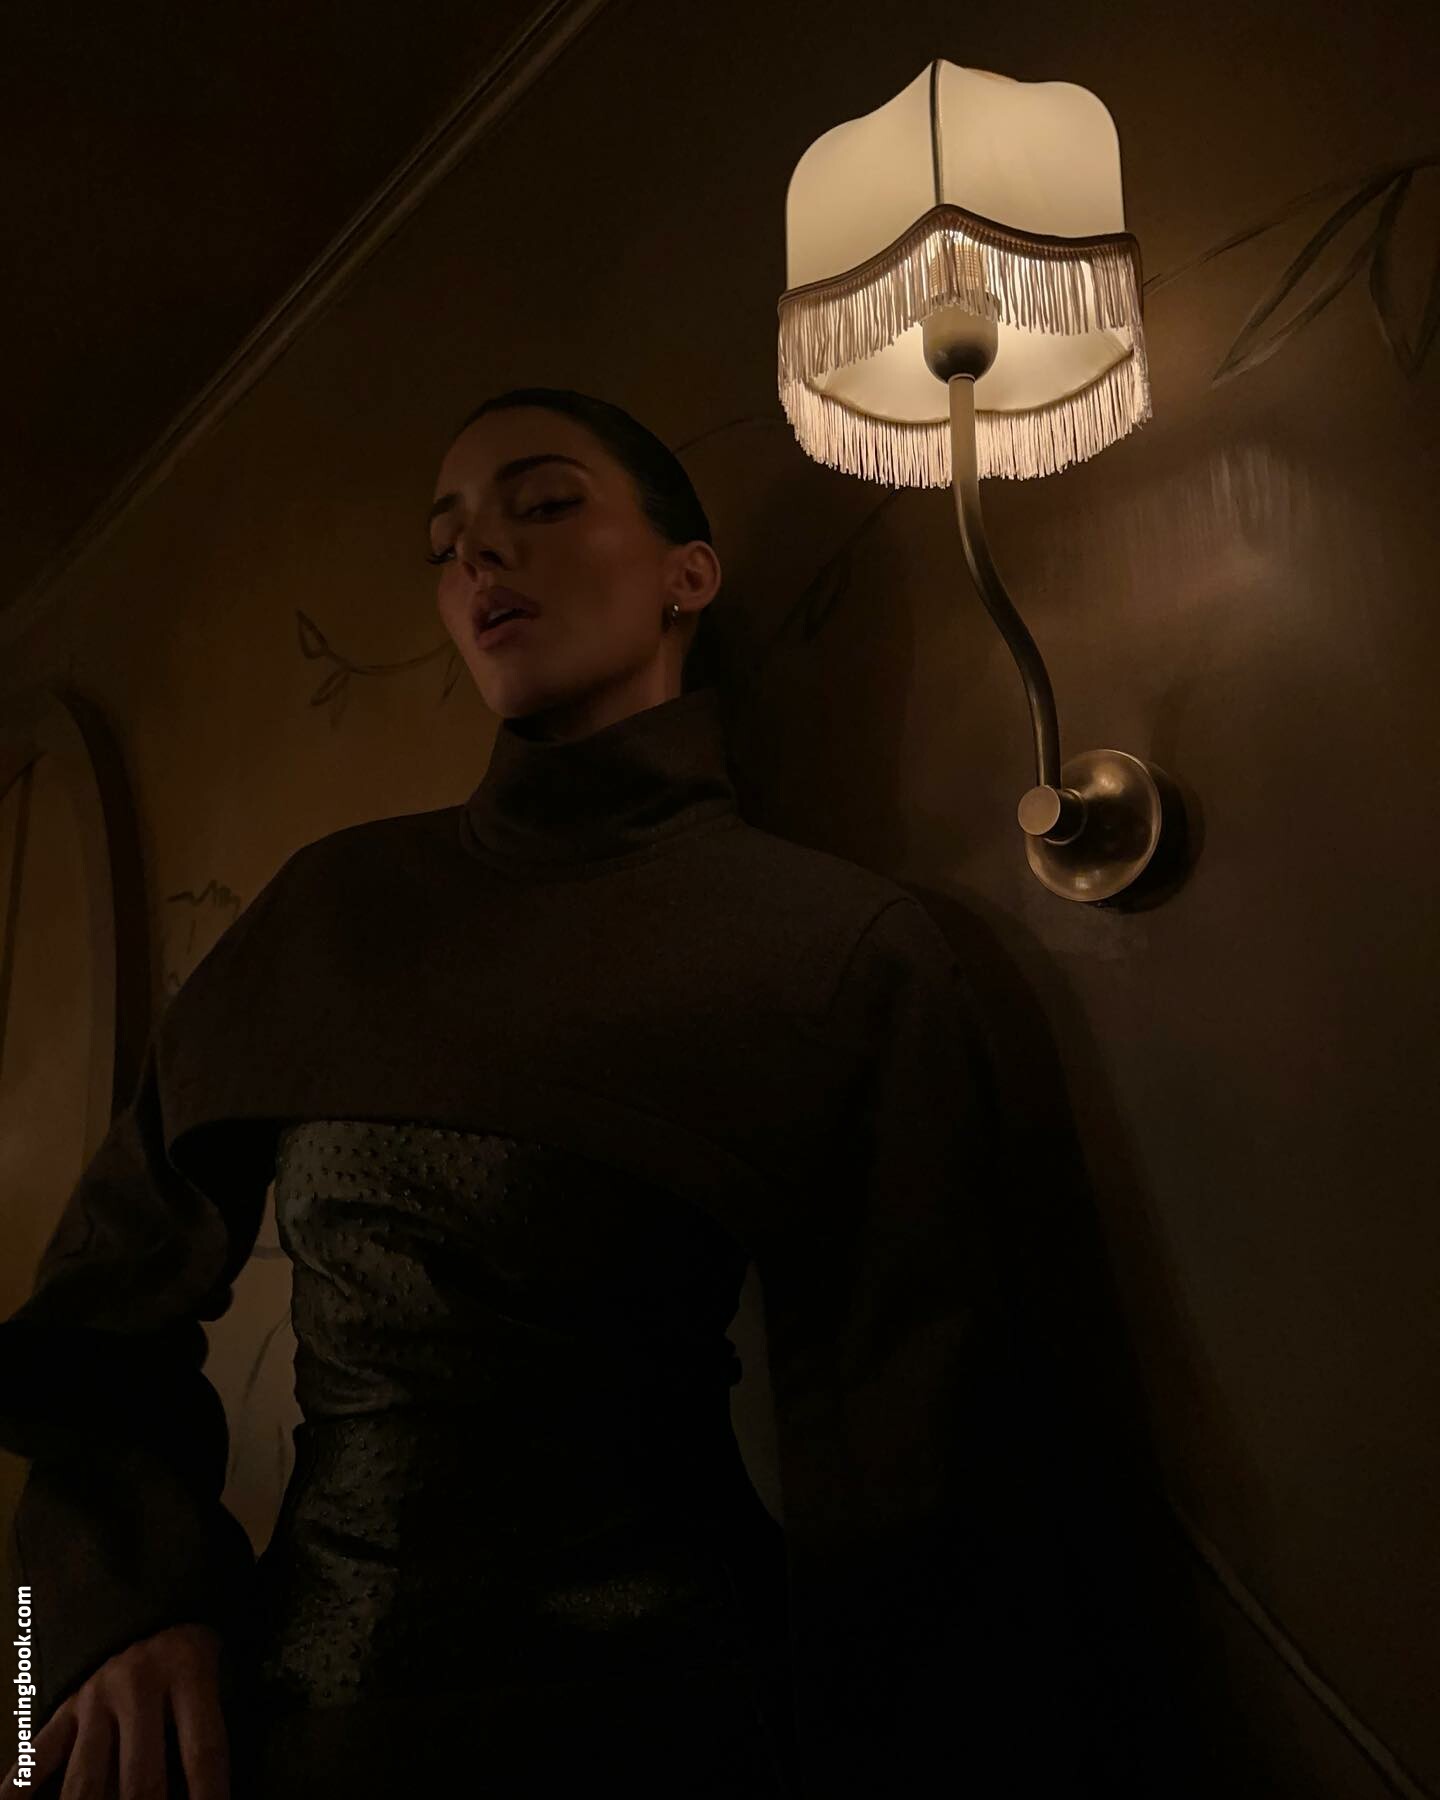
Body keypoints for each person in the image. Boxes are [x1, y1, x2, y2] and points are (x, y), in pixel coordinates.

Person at [0, 388, 1170, 1799]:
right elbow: (91, 1316)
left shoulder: (832, 946)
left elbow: (935, 1459)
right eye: (446, 544)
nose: (480, 558)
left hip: (669, 1725)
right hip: (296, 1723)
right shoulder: (336, 909)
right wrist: (105, 1613)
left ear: (691, 575)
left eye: (544, 505)